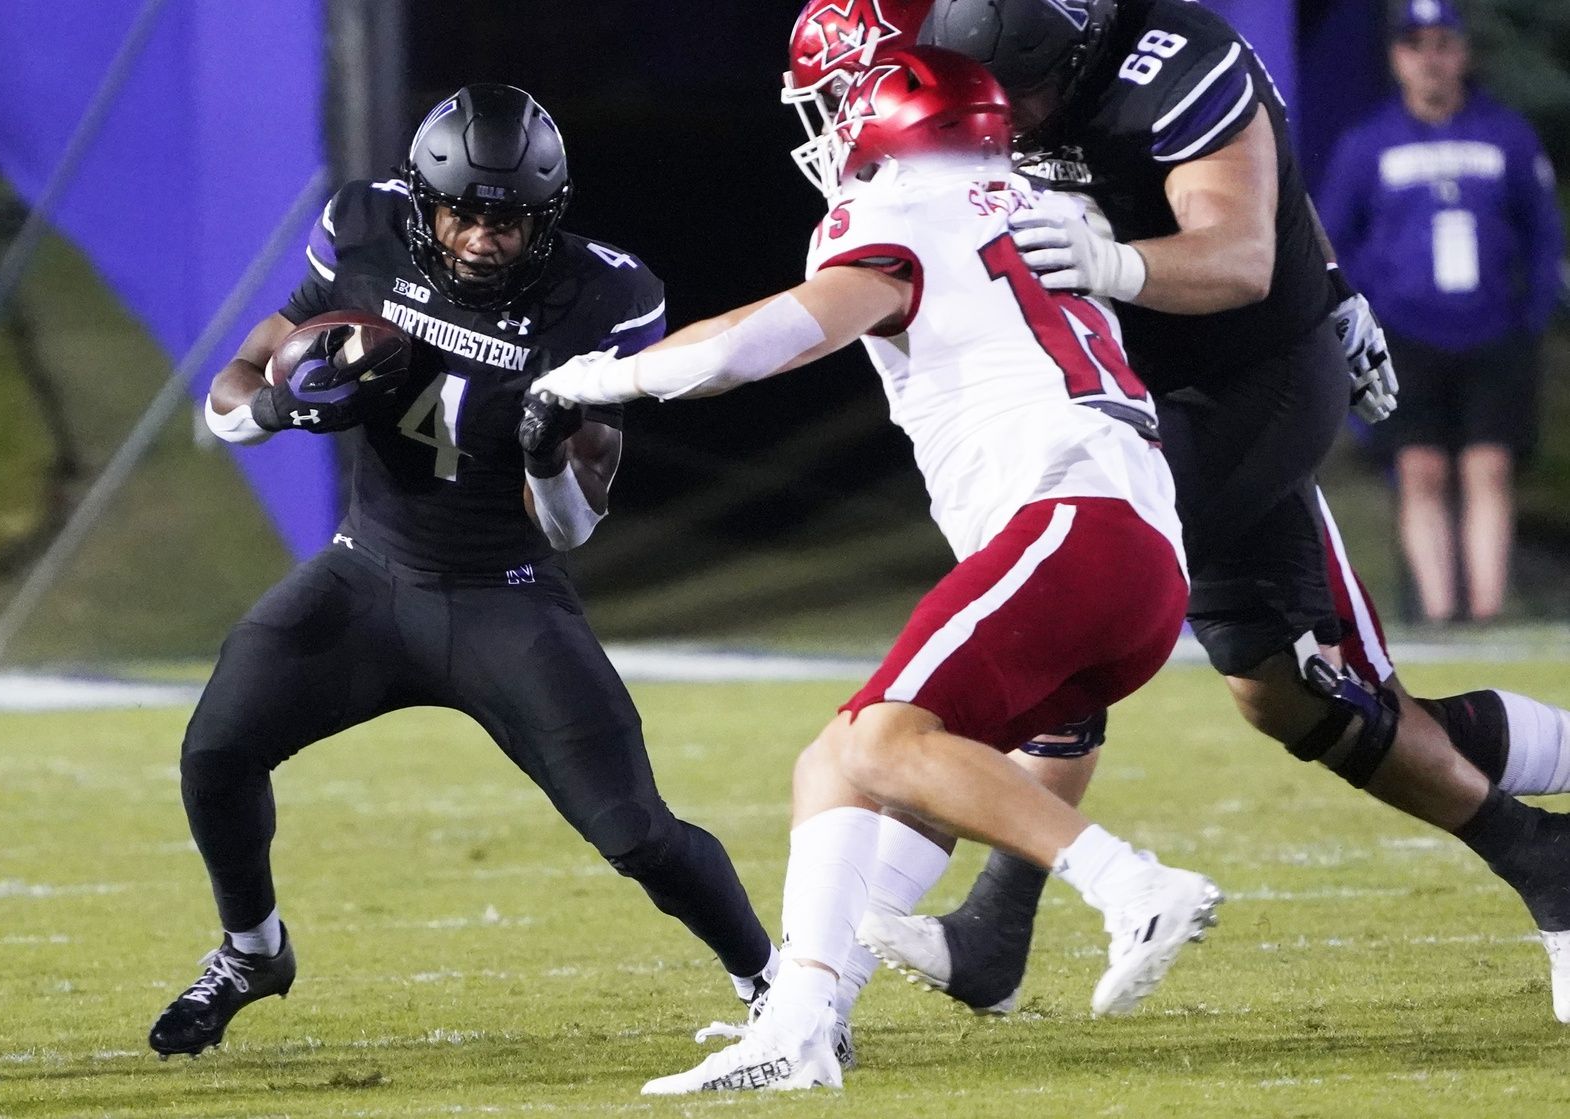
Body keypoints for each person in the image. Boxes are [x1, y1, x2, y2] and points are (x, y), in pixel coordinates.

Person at [851, 0, 1570, 1025]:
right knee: (1299, 700)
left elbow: (1237, 252)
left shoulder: (1175, 62)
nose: (1008, 126)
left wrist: (1119, 266)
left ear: (1078, 54)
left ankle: (900, 939)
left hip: (1248, 383)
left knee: (1060, 612)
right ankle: (1543, 856)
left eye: (1026, 100)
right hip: (1139, 401)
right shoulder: (986, 61)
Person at [531, 45, 1223, 1094]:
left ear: (895, 128)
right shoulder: (1024, 198)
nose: (828, 130)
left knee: (884, 739)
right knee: (840, 762)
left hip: (1071, 522)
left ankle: (1130, 884)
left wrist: (605, 379)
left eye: (839, 109)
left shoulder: (906, 214)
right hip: (1131, 553)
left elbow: (747, 348)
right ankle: (801, 1024)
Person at [146, 83, 779, 1059]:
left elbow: (571, 529)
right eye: (463, 211)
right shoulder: (363, 230)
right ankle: (252, 950)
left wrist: (543, 454)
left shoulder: (604, 296)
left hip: (504, 595)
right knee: (214, 756)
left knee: (638, 835)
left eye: (509, 219)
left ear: (548, 217)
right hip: (366, 578)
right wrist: (276, 410)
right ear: (421, 202)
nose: (483, 236)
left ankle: (773, 985)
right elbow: (234, 388)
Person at [1318, 0, 1563, 625]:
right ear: (1398, 59)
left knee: (1489, 466)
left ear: (1462, 53)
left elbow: (1541, 232)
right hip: (1406, 330)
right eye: (1416, 47)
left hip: (1492, 327)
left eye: (1442, 45)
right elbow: (1334, 239)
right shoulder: (1368, 144)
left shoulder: (1505, 134)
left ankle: (1484, 611)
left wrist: (1531, 312)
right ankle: (1437, 612)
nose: (1431, 60)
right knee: (1419, 466)